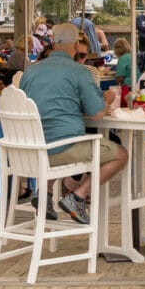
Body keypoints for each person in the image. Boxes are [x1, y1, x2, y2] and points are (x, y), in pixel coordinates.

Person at [19, 23, 128, 224]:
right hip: (61, 149)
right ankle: (77, 198)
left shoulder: (30, 72)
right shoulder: (79, 71)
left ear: (52, 42)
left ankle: (46, 194)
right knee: (121, 154)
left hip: (30, 149)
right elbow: (97, 115)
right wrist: (106, 102)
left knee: (58, 134)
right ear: (77, 45)